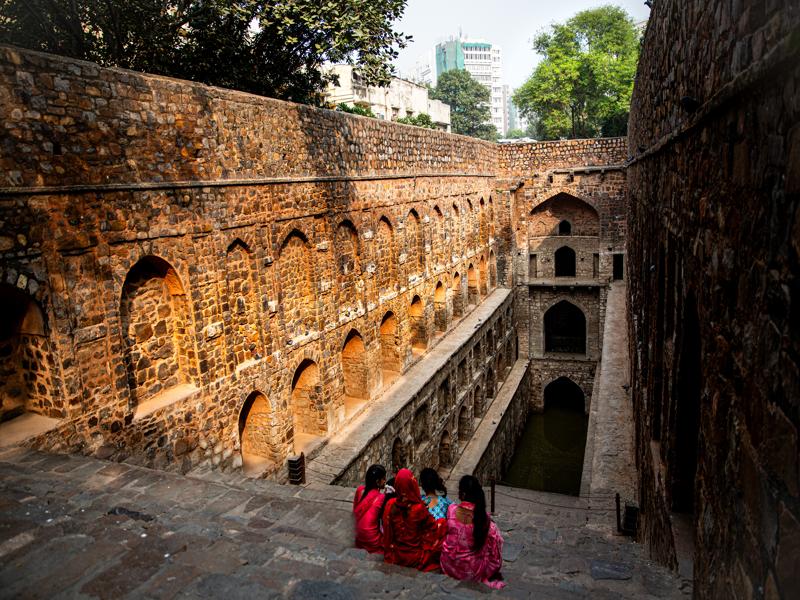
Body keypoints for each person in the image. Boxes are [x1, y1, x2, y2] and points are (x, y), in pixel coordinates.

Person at [440, 475, 506, 589]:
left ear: (463, 494)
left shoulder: (451, 510)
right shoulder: (484, 520)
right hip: (472, 571)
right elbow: (496, 554)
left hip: (448, 564)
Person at [381, 468, 447, 572]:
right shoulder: (418, 508)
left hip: (397, 554)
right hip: (415, 558)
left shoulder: (390, 504)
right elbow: (433, 528)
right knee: (442, 523)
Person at [353, 464, 387, 553]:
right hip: (372, 539)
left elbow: (355, 511)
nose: (385, 481)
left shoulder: (360, 490)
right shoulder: (381, 497)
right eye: (383, 479)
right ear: (377, 481)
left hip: (358, 536)